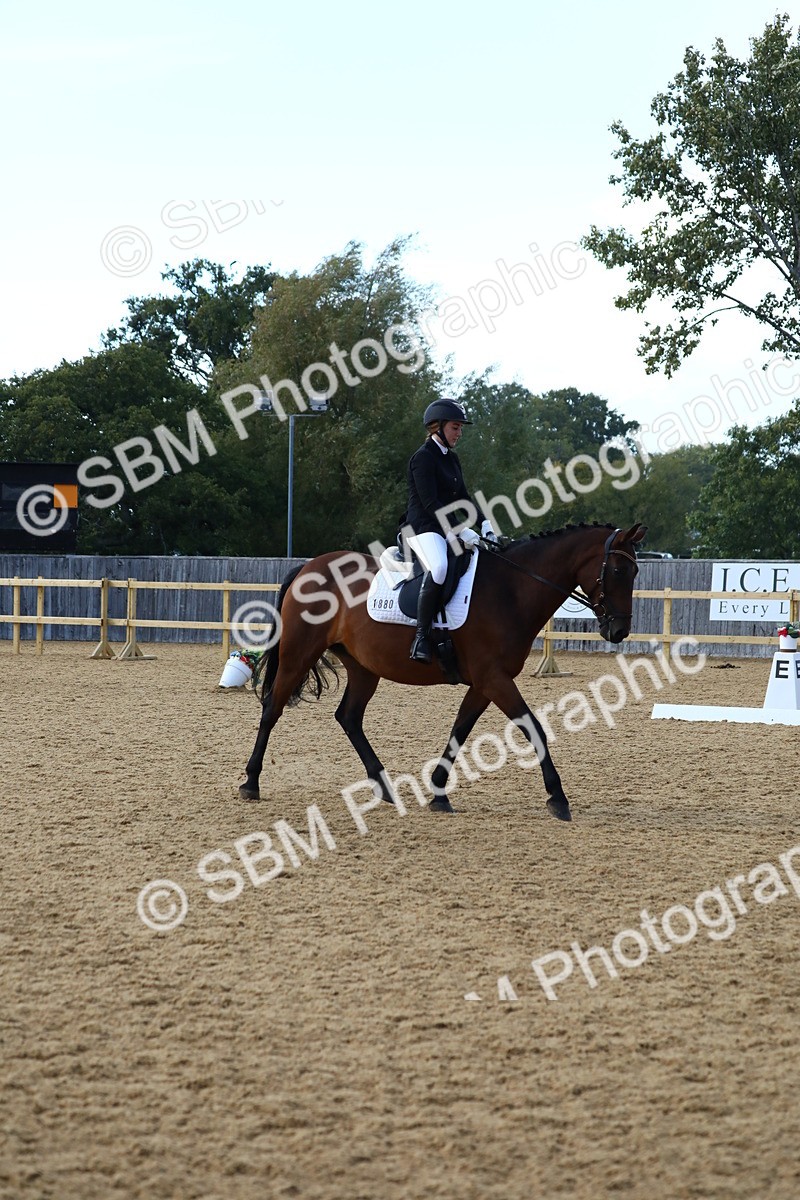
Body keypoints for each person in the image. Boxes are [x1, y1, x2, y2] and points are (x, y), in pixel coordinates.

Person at [404, 398, 494, 663]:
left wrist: (484, 523)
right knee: (440, 567)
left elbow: (463, 498)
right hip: (422, 528)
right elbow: (430, 502)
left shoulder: (452, 459)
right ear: (438, 427)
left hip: (446, 528)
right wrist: (458, 529)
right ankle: (421, 637)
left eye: (460, 428)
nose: (459, 433)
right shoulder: (422, 458)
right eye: (456, 427)